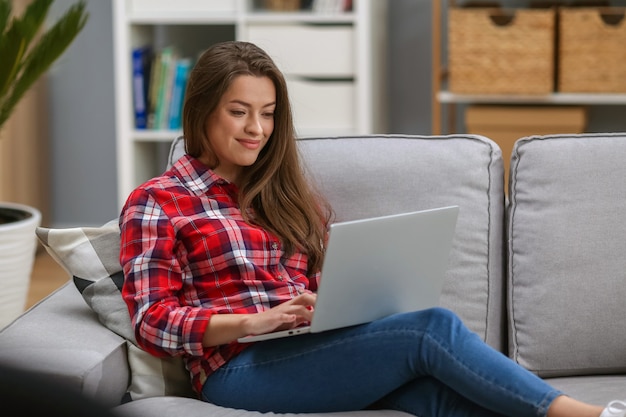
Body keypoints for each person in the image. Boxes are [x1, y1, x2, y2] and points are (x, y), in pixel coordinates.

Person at [119, 40, 625, 417]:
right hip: (236, 370)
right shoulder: (157, 202)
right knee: (432, 327)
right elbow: (152, 321)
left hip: (307, 349)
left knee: (436, 396)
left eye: (269, 114)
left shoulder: (282, 195)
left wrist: (337, 306)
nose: (257, 129)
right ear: (202, 110)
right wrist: (254, 322)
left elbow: (315, 291)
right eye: (239, 112)